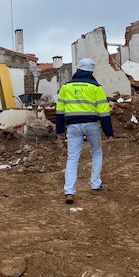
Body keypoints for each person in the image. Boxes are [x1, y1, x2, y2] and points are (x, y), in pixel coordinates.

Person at [55, 58, 113, 204]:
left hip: (73, 126)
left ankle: (69, 191)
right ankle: (95, 184)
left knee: (72, 158)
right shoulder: (96, 87)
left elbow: (60, 111)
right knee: (96, 153)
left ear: (77, 69)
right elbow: (104, 112)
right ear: (91, 71)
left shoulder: (66, 87)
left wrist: (59, 130)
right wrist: (108, 132)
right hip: (91, 125)